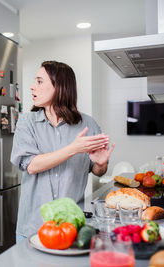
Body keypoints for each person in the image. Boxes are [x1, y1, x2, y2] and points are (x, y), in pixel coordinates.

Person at [11, 61, 115, 242]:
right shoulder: (26, 122)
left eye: (39, 81)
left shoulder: (88, 124)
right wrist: (73, 149)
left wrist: (101, 163)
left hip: (72, 226)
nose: (32, 87)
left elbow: (98, 171)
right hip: (32, 227)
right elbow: (32, 165)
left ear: (59, 87)